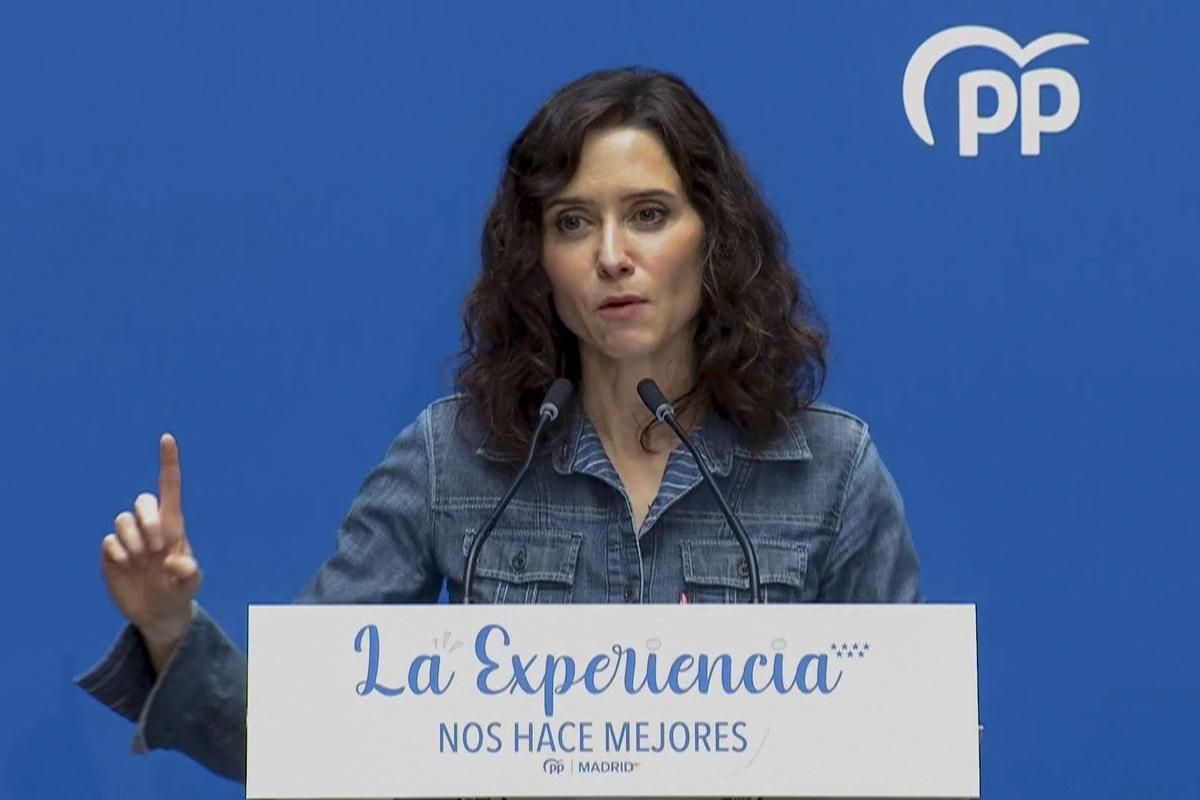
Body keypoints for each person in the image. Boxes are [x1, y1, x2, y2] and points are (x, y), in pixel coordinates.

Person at [77, 66, 921, 785]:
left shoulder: (829, 470)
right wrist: (165, 625)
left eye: (650, 214)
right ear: (538, 262)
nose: (612, 256)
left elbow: (909, 752)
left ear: (715, 240)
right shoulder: (455, 458)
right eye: (574, 222)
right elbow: (301, 732)